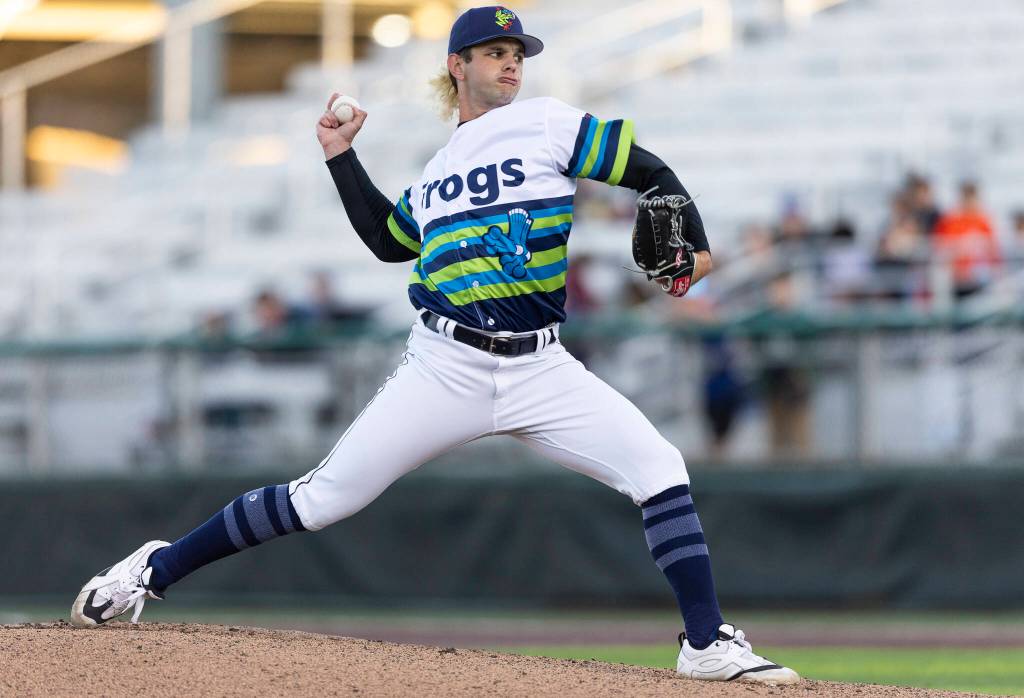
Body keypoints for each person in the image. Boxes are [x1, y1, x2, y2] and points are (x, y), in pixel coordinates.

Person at [70, 6, 798, 685]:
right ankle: (154, 569)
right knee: (323, 500)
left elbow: (650, 174)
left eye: (517, 53)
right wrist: (339, 156)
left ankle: (705, 644)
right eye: (494, 52)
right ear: (457, 65)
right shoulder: (439, 169)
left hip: (541, 365)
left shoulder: (548, 122)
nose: (511, 64)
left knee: (660, 467)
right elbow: (390, 242)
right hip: (444, 366)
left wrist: (694, 247)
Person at [933, 181, 1001, 299]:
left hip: (979, 277)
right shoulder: (950, 221)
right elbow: (940, 247)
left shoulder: (983, 221)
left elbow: (993, 249)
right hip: (956, 277)